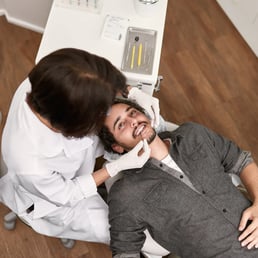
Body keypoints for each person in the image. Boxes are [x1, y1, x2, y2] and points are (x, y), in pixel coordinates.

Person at [0, 48, 162, 244]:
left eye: (132, 113)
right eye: (105, 116)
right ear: (75, 129)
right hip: (57, 203)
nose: (132, 121)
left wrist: (130, 91)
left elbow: (92, 75)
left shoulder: (49, 79)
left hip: (79, 157)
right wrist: (114, 168)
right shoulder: (30, 165)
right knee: (137, 236)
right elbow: (68, 194)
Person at [98, 98, 258, 258]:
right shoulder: (126, 193)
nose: (133, 121)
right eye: (121, 125)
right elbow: (125, 251)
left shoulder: (192, 134)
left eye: (133, 113)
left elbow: (241, 160)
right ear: (117, 147)